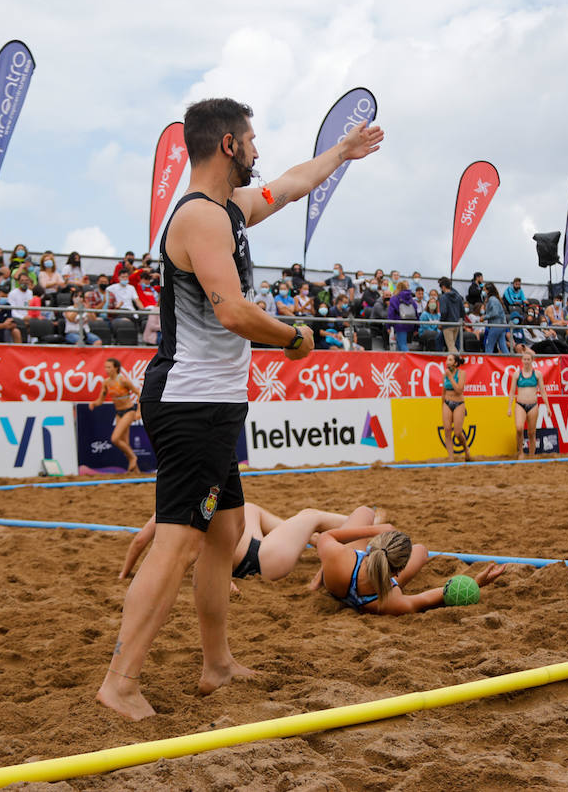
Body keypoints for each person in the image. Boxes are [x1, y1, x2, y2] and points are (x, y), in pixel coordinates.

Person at [98, 97, 382, 721]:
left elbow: (289, 185)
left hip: (214, 402)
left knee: (224, 536)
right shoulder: (201, 217)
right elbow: (230, 312)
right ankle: (120, 682)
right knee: (176, 543)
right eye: (251, 140)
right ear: (227, 145)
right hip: (192, 401)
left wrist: (342, 153)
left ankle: (217, 664)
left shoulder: (231, 210)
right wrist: (295, 338)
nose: (258, 151)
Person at [121, 503, 372, 585]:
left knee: (250, 509)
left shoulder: (167, 509)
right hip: (260, 560)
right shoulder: (202, 498)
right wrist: (224, 583)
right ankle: (365, 524)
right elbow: (199, 550)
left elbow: (140, 540)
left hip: (247, 555)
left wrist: (124, 574)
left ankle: (310, 537)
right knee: (310, 515)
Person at [312, 514, 504, 615]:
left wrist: (377, 528)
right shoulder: (393, 601)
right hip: (372, 593)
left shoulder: (338, 557)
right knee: (420, 550)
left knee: (364, 511)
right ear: (398, 572)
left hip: (341, 577)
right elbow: (430, 597)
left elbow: (326, 536)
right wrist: (475, 583)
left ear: (373, 546)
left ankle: (320, 573)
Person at [89, 357, 141, 473]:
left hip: (129, 411)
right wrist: (94, 403)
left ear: (116, 368)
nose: (106, 369)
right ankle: (136, 472)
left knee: (115, 438)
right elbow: (100, 400)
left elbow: (139, 393)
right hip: (119, 413)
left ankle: (133, 458)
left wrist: (139, 412)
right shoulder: (106, 382)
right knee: (125, 444)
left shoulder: (123, 381)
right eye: (105, 367)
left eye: (109, 367)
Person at [507, 349, 553, 458]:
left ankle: (532, 455)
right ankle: (521, 452)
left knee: (532, 433)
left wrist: (548, 407)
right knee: (519, 428)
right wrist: (509, 407)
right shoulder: (517, 374)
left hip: (533, 405)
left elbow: (542, 391)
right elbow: (512, 391)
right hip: (520, 404)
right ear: (521, 361)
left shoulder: (537, 374)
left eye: (528, 359)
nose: (526, 361)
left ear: (532, 360)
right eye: (524, 359)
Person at [441, 353, 472, 462]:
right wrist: (442, 405)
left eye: (449, 360)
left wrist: (450, 377)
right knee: (447, 430)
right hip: (447, 402)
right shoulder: (445, 374)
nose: (447, 362)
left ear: (455, 363)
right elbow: (443, 391)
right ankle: (451, 458)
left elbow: (459, 390)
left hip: (458, 403)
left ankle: (466, 449)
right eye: (446, 359)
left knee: (458, 432)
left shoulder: (461, 373)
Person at [482, 282, 508, 354]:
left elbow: (495, 312)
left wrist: (484, 317)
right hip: (502, 325)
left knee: (489, 345)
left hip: (496, 325)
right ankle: (509, 360)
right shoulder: (495, 299)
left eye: (484, 290)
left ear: (488, 290)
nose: (483, 292)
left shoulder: (492, 299)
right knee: (502, 345)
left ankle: (488, 362)